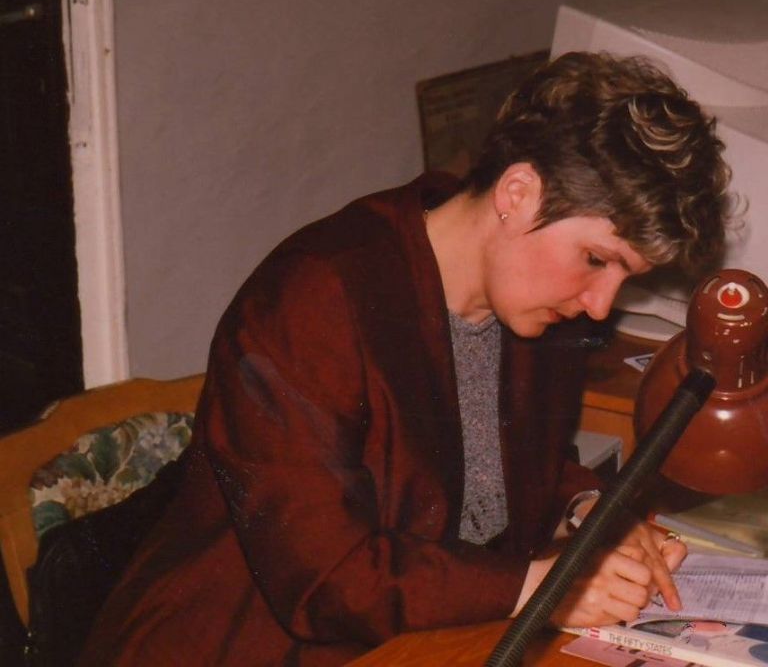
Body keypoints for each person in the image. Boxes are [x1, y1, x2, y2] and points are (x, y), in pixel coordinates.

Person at [79, 52, 731, 666]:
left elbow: (502, 472)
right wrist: (543, 587)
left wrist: (588, 513)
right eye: (595, 259)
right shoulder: (312, 300)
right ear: (518, 193)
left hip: (421, 639)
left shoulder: (530, 306)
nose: (600, 305)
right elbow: (326, 580)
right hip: (248, 647)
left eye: (626, 278)